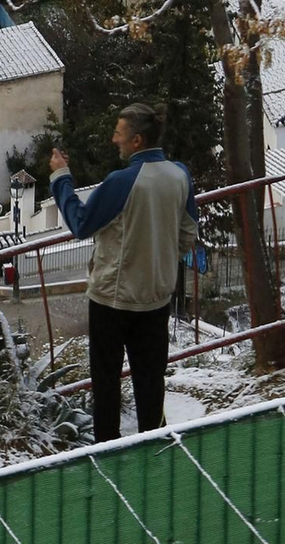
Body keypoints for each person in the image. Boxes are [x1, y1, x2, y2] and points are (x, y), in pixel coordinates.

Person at [50, 102, 198, 442]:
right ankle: (152, 451)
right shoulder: (180, 176)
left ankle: (108, 453)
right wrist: (157, 259)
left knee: (106, 383)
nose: (113, 140)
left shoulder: (122, 181)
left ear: (136, 141)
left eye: (119, 134)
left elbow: (82, 223)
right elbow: (188, 234)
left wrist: (61, 177)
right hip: (156, 299)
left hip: (111, 301)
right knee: (150, 380)